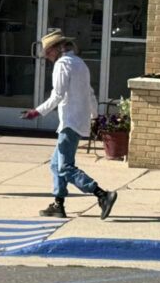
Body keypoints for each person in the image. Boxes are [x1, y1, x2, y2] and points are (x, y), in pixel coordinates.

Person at [21, 29, 118, 220]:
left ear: (58, 48)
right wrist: (94, 116)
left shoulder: (62, 65)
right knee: (55, 164)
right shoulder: (80, 63)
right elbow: (90, 93)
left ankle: (102, 195)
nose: (47, 56)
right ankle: (58, 204)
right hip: (78, 121)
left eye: (48, 51)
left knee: (65, 167)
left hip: (70, 122)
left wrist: (37, 112)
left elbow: (57, 94)